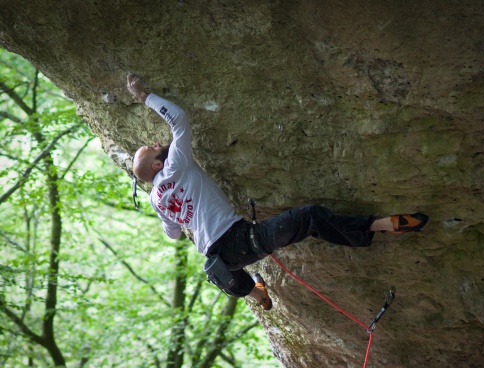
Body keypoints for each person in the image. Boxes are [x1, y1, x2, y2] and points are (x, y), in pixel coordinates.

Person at [127, 74, 428, 311]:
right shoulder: (175, 165)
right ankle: (380, 225)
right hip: (242, 240)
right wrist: (144, 97)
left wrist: (186, 213)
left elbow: (174, 235)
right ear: (157, 164)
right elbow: (178, 119)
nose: (155, 143)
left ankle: (258, 295)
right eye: (150, 148)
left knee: (292, 231)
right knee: (310, 217)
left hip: (220, 257)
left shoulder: (155, 199)